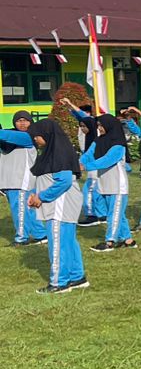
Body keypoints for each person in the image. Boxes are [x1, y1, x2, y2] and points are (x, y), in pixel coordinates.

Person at [27, 118, 89, 293]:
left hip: (59, 206)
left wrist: (41, 197)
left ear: (46, 134)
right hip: (61, 205)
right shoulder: (53, 151)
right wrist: (36, 195)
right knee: (68, 241)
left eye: (36, 136)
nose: (35, 139)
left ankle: (59, 282)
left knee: (58, 243)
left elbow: (64, 181)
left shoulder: (58, 153)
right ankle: (77, 276)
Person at [81, 113, 136, 251]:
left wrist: (87, 166)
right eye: (98, 125)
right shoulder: (98, 141)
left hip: (117, 186)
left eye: (101, 125)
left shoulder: (119, 145)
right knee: (118, 214)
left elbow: (107, 160)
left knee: (113, 215)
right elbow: (88, 154)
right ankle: (128, 240)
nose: (99, 128)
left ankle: (110, 241)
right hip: (104, 184)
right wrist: (77, 164)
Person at [1, 111, 47, 246]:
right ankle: (40, 234)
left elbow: (7, 135)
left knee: (20, 211)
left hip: (21, 181)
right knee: (29, 210)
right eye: (19, 120)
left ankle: (21, 238)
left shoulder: (28, 137)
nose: (22, 123)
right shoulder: (8, 139)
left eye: (25, 120)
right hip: (11, 181)